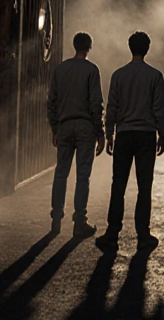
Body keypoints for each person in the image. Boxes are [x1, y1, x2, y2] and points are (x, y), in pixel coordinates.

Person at [96, 30, 164, 251]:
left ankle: (112, 232)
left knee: (119, 184)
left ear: (130, 47)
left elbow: (112, 107)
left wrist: (109, 134)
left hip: (124, 134)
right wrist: (162, 134)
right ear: (147, 49)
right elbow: (159, 108)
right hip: (146, 134)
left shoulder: (118, 75)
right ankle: (143, 234)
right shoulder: (155, 76)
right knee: (144, 186)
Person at [47, 32, 105, 238]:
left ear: (74, 45)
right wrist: (100, 132)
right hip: (85, 128)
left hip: (64, 126)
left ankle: (56, 218)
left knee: (61, 173)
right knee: (83, 175)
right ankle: (79, 221)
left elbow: (51, 101)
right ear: (89, 47)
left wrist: (55, 128)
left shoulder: (60, 69)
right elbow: (95, 104)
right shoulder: (92, 70)